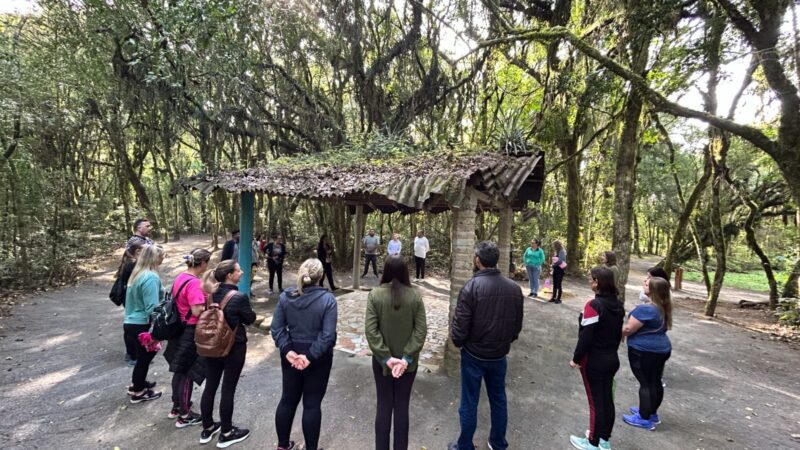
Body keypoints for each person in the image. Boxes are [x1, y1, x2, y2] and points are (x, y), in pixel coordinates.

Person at [448, 241, 524, 450]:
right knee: (498, 399)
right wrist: (505, 342)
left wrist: (458, 342)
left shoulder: (471, 287)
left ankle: (464, 445)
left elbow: (460, 325)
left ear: (478, 261)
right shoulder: (514, 288)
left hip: (474, 355)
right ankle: (498, 442)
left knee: (469, 401)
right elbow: (516, 326)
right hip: (499, 355)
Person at [271, 259, 338, 450]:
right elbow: (327, 336)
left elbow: (277, 329)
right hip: (318, 358)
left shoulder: (286, 297)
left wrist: (288, 351)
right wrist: (309, 356)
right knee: (312, 404)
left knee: (287, 399)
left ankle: (283, 445)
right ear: (321, 276)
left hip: (292, 354)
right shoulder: (328, 300)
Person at [365, 257, 427, 450]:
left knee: (383, 406)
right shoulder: (415, 296)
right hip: (408, 366)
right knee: (402, 408)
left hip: (383, 364)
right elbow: (421, 330)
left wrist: (386, 357)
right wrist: (406, 358)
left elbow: (371, 330)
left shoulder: (375, 295)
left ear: (385, 271)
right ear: (405, 272)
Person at [199, 260, 256, 448]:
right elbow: (249, 319)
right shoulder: (238, 297)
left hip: (210, 346)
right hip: (233, 347)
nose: (242, 272)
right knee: (228, 389)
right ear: (230, 275)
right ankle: (227, 432)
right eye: (239, 270)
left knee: (210, 386)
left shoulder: (210, 293)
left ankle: (207, 428)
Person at [568, 267, 625, 450]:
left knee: (595, 401)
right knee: (606, 399)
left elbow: (586, 336)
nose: (589, 282)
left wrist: (576, 359)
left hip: (594, 360)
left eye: (591, 279)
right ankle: (604, 439)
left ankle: (592, 441)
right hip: (611, 358)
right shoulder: (617, 305)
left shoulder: (594, 306)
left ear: (597, 283)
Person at [164, 248, 211, 427]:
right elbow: (197, 310)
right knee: (187, 372)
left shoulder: (181, 277)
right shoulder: (194, 283)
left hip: (179, 329)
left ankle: (176, 406)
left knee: (179, 369)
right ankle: (184, 415)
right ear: (204, 263)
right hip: (190, 331)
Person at [622, 276, 673, 430]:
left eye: (646, 284)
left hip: (644, 352)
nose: (643, 284)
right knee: (655, 381)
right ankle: (651, 412)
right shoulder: (663, 306)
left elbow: (629, 329)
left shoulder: (646, 309)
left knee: (646, 384)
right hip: (661, 349)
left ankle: (644, 418)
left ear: (653, 290)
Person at [124, 244, 166, 404]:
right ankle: (139, 391)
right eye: (162, 255)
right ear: (154, 257)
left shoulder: (138, 274)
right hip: (142, 324)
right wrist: (158, 327)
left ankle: (137, 384)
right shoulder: (150, 277)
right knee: (145, 358)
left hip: (131, 322)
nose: (163, 258)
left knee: (143, 357)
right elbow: (152, 307)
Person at [117, 241, 145, 366]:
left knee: (134, 326)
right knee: (132, 327)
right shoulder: (130, 266)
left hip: (133, 299)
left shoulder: (136, 265)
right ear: (138, 252)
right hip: (131, 299)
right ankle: (131, 354)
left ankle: (137, 354)